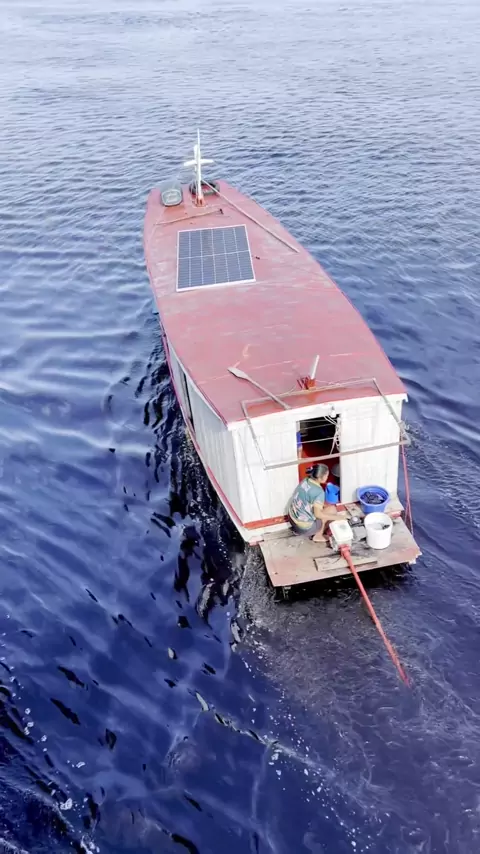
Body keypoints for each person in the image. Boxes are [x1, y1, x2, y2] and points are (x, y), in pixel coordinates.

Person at [288, 463, 346, 543]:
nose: (327, 477)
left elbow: (308, 498)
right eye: (326, 475)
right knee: (332, 510)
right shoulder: (319, 492)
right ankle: (318, 536)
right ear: (320, 477)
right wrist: (339, 518)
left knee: (325, 508)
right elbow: (318, 515)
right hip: (304, 528)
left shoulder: (305, 480)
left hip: (292, 519)